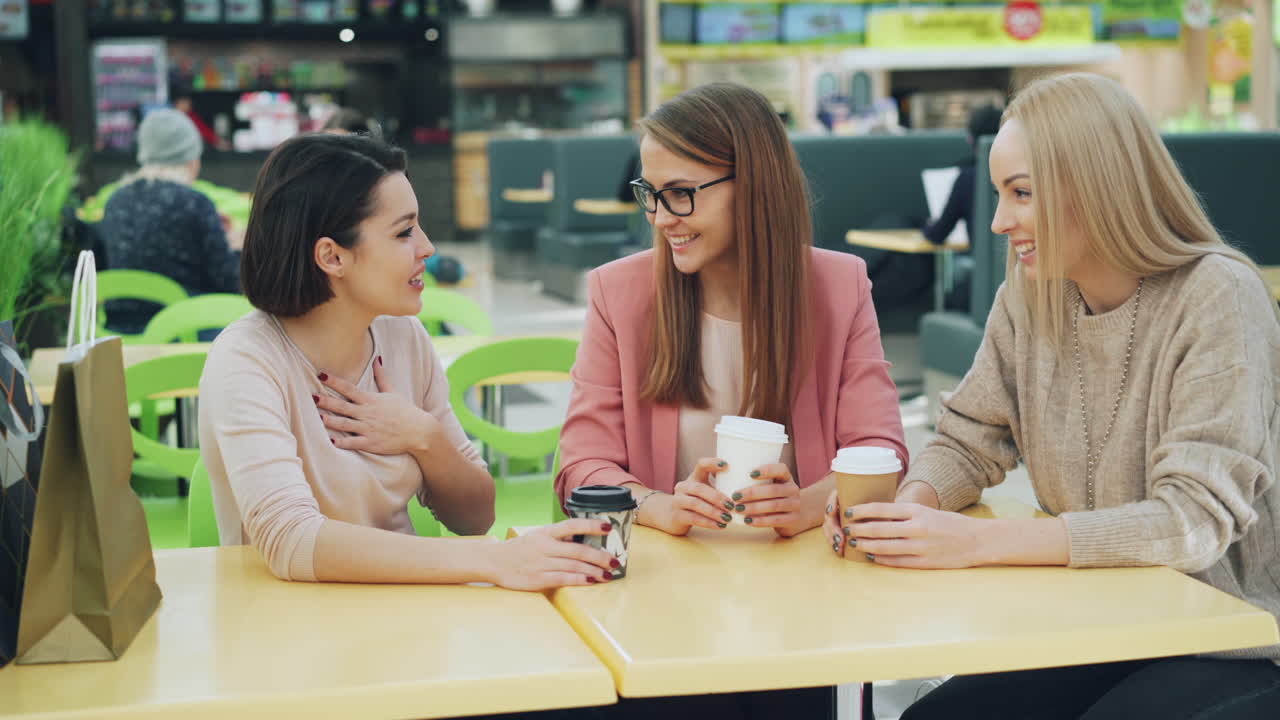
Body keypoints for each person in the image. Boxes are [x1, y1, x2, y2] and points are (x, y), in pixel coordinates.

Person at [822, 73, 1280, 719]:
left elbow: (1191, 522)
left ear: (1098, 185)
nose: (998, 221)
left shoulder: (1217, 295)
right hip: (1103, 618)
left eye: (1022, 193)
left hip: (1235, 637)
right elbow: (968, 439)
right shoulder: (1030, 293)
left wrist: (973, 542)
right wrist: (908, 512)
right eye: (999, 195)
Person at [198, 133, 617, 590]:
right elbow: (290, 541)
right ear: (332, 256)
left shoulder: (403, 336)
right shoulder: (247, 359)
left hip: (408, 613)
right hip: (284, 621)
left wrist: (423, 436)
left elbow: (475, 517)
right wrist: (493, 559)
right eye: (403, 232)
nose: (427, 247)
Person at [557, 82, 907, 540]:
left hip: (802, 565)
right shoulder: (618, 292)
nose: (661, 218)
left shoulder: (841, 286)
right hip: (671, 567)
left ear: (754, 186)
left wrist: (807, 504)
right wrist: (659, 505)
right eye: (651, 193)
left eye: (681, 193)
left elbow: (881, 452)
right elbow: (582, 465)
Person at [98, 108, 241, 334]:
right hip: (186, 333)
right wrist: (236, 247)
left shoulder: (115, 201)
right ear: (191, 158)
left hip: (120, 332)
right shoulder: (195, 203)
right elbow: (229, 281)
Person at [921, 104, 1003, 312]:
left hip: (981, 287)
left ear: (971, 140)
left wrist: (927, 226)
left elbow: (937, 234)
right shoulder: (1021, 172)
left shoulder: (967, 178)